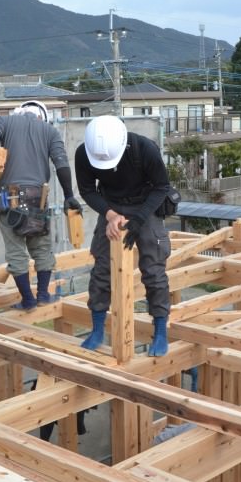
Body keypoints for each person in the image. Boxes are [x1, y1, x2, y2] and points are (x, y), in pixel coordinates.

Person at [75, 115, 172, 356]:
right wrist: (109, 215)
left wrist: (139, 219)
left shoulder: (144, 149)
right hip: (111, 205)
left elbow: (162, 187)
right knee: (101, 270)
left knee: (153, 270)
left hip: (145, 205)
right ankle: (97, 329)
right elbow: (87, 190)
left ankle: (160, 331)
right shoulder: (84, 154)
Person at [0, 100, 81, 310]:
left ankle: (27, 300)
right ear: (41, 116)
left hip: (9, 198)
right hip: (38, 198)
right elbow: (61, 163)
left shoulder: (4, 121)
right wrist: (68, 195)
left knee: (16, 250)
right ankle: (43, 294)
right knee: (41, 246)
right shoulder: (49, 131)